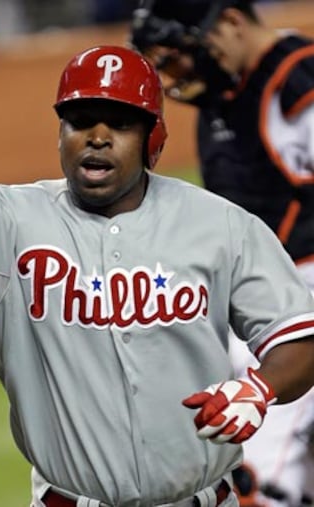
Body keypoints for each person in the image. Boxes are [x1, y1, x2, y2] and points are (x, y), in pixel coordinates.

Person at [0, 21, 314, 506]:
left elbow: (300, 339)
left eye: (119, 124)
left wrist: (259, 390)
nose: (97, 137)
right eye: (80, 121)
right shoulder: (9, 219)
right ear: (60, 134)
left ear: (151, 139)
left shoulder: (220, 225)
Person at [129, 1, 314, 504]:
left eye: (183, 57)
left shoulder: (297, 82)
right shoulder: (225, 98)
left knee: (252, 475)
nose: (177, 76)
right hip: (264, 307)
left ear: (230, 23)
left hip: (298, 308)